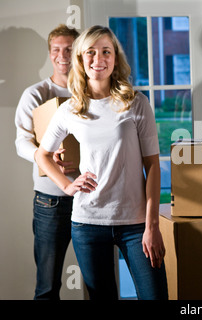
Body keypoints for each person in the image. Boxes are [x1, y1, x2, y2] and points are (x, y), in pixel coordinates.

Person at [35, 25, 168, 300]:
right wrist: (68, 186)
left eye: (106, 52)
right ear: (81, 61)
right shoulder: (70, 109)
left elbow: (153, 166)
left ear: (115, 58)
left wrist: (152, 225)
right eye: (91, 53)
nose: (99, 59)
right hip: (87, 223)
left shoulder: (136, 102)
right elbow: (42, 154)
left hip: (135, 223)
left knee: (155, 296)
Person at [15, 24, 79, 300]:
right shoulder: (36, 94)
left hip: (90, 196)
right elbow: (21, 142)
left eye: (70, 49)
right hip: (50, 200)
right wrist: (45, 156)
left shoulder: (92, 93)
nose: (63, 55)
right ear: (49, 54)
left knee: (98, 278)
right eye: (57, 50)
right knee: (48, 285)